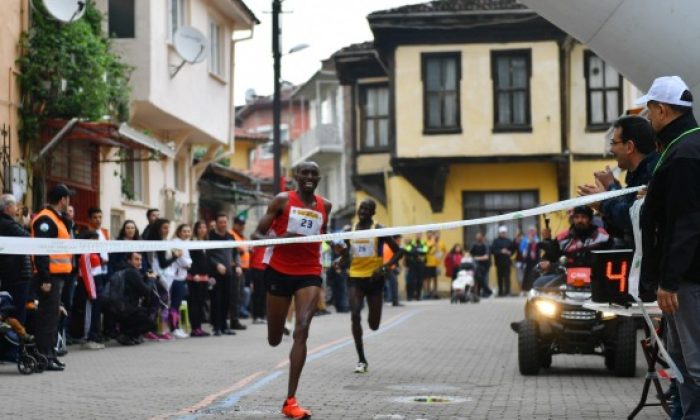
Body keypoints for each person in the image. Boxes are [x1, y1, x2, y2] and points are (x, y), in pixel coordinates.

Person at [637, 76, 700, 416]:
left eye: (649, 113)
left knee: (693, 364)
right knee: (680, 360)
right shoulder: (685, 146)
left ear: (661, 110)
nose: (648, 122)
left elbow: (687, 223)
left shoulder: (685, 153)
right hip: (683, 277)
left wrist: (669, 281)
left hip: (687, 279)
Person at [252, 161, 332, 419]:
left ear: (319, 178)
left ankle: (290, 400)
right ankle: (276, 333)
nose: (309, 176)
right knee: (274, 338)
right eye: (304, 172)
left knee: (302, 329)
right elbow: (256, 233)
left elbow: (323, 234)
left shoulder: (325, 206)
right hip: (279, 271)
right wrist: (272, 240)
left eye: (313, 173)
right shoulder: (282, 200)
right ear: (296, 176)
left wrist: (337, 252)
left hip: (309, 272)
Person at [340, 199, 402, 373]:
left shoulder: (379, 230)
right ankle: (361, 359)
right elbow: (346, 255)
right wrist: (340, 261)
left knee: (374, 325)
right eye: (361, 208)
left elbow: (399, 251)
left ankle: (371, 324)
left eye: (368, 209)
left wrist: (384, 267)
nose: (363, 211)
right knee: (354, 314)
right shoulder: (349, 231)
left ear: (373, 213)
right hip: (355, 278)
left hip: (374, 279)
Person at [578, 115, 658, 248]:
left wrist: (605, 198)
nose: (611, 150)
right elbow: (622, 230)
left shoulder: (652, 173)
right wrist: (604, 203)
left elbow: (631, 217)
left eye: (614, 143)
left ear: (629, 146)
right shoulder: (636, 175)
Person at [31, 183, 75, 371]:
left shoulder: (57, 219)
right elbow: (41, 252)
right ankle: (44, 356)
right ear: (63, 199)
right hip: (50, 278)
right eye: (68, 198)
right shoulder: (46, 220)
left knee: (52, 318)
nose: (69, 202)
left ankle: (50, 353)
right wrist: (45, 278)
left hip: (58, 276)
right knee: (47, 318)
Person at [534, 206, 610, 289]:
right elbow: (550, 255)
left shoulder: (602, 235)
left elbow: (613, 253)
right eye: (577, 217)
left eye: (583, 217)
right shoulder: (562, 238)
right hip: (567, 277)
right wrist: (545, 262)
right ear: (573, 219)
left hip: (597, 277)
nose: (580, 220)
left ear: (590, 219)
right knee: (539, 284)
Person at [103, 252, 156, 345]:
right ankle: (126, 335)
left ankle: (131, 335)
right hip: (126, 311)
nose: (139, 262)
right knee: (150, 324)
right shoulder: (132, 272)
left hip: (119, 309)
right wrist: (151, 279)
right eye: (136, 259)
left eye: (140, 259)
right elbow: (146, 290)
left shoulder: (125, 270)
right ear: (129, 260)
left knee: (142, 313)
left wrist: (145, 277)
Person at [0, 194, 33, 325]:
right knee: (18, 313)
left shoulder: (8, 222)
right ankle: (16, 344)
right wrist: (24, 224)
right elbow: (27, 237)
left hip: (13, 274)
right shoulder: (7, 223)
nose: (17, 208)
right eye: (15, 205)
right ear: (8, 208)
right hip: (16, 275)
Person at [208, 213, 242, 336]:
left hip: (228, 273)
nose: (223, 224)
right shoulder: (210, 236)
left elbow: (235, 253)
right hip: (214, 273)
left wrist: (238, 266)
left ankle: (224, 326)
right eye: (220, 222)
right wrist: (216, 265)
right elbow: (208, 255)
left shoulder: (230, 237)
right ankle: (216, 327)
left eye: (225, 222)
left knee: (227, 300)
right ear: (216, 223)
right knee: (216, 300)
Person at [145, 218, 179, 340]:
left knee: (163, 304)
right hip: (157, 276)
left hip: (163, 276)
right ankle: (150, 330)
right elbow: (163, 263)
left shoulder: (164, 241)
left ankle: (162, 330)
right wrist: (175, 257)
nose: (167, 230)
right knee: (156, 304)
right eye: (164, 228)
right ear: (158, 229)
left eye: (168, 228)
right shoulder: (157, 242)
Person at [188, 221, 211, 337]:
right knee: (195, 303)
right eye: (200, 227)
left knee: (201, 303)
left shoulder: (207, 243)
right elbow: (190, 260)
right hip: (195, 277)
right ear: (196, 229)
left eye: (204, 227)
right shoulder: (193, 243)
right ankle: (194, 328)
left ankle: (199, 327)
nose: (202, 229)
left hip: (205, 277)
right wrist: (194, 273)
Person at [170, 224, 192, 338]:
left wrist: (188, 263)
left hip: (182, 277)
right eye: (184, 231)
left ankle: (176, 327)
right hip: (175, 278)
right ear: (179, 232)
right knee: (175, 303)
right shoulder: (175, 243)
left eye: (188, 231)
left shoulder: (186, 244)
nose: (187, 233)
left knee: (178, 304)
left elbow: (189, 260)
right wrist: (188, 263)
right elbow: (183, 261)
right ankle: (174, 328)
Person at [231, 216, 252, 320]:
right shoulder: (232, 234)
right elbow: (232, 249)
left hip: (245, 267)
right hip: (237, 267)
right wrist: (240, 251)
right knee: (237, 292)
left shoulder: (242, 236)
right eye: (239, 224)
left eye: (243, 224)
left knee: (243, 291)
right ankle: (235, 313)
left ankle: (240, 310)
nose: (242, 226)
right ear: (234, 224)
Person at [491, 226, 515, 297]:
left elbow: (512, 250)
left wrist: (509, 252)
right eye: (502, 233)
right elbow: (493, 250)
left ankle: (507, 292)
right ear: (499, 233)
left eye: (504, 233)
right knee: (499, 278)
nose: (503, 234)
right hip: (499, 262)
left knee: (507, 278)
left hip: (507, 262)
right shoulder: (495, 241)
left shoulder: (509, 241)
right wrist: (501, 251)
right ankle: (500, 292)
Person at [404, 234, 427, 300]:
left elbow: (425, 251)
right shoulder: (411, 243)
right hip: (412, 264)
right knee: (411, 280)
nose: (418, 236)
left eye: (419, 234)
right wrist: (418, 251)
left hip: (420, 264)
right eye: (417, 234)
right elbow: (407, 250)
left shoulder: (423, 243)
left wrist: (415, 250)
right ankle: (410, 296)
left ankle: (418, 296)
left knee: (420, 280)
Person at [423, 231, 446, 299]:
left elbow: (444, 252)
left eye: (438, 235)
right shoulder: (428, 242)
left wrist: (441, 259)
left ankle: (435, 293)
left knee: (435, 278)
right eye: (435, 235)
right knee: (428, 279)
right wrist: (433, 245)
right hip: (428, 263)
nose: (437, 236)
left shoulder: (441, 243)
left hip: (436, 264)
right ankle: (427, 292)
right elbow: (426, 251)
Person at [470, 232, 492, 298]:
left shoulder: (486, 245)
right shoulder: (474, 245)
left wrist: (476, 258)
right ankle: (478, 293)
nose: (478, 238)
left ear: (482, 237)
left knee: (485, 280)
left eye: (479, 236)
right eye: (477, 236)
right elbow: (470, 254)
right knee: (478, 279)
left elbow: (486, 257)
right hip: (477, 266)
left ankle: (487, 293)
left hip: (485, 266)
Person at [518, 227, 540, 294]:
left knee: (534, 274)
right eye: (530, 231)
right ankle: (525, 289)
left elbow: (538, 248)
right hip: (527, 260)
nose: (532, 232)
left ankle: (534, 288)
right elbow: (521, 249)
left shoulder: (537, 239)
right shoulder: (525, 239)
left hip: (535, 260)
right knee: (526, 275)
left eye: (533, 231)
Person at [250, 244, 268, 324]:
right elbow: (252, 255)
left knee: (264, 293)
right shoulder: (257, 240)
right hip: (257, 268)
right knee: (258, 293)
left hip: (265, 268)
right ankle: (256, 316)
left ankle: (262, 314)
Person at [383, 235, 403, 307]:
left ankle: (393, 301)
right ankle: (395, 302)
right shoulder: (391, 246)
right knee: (394, 284)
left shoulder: (385, 245)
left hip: (385, 267)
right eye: (399, 240)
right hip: (387, 268)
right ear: (395, 240)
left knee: (381, 285)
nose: (399, 241)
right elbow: (393, 258)